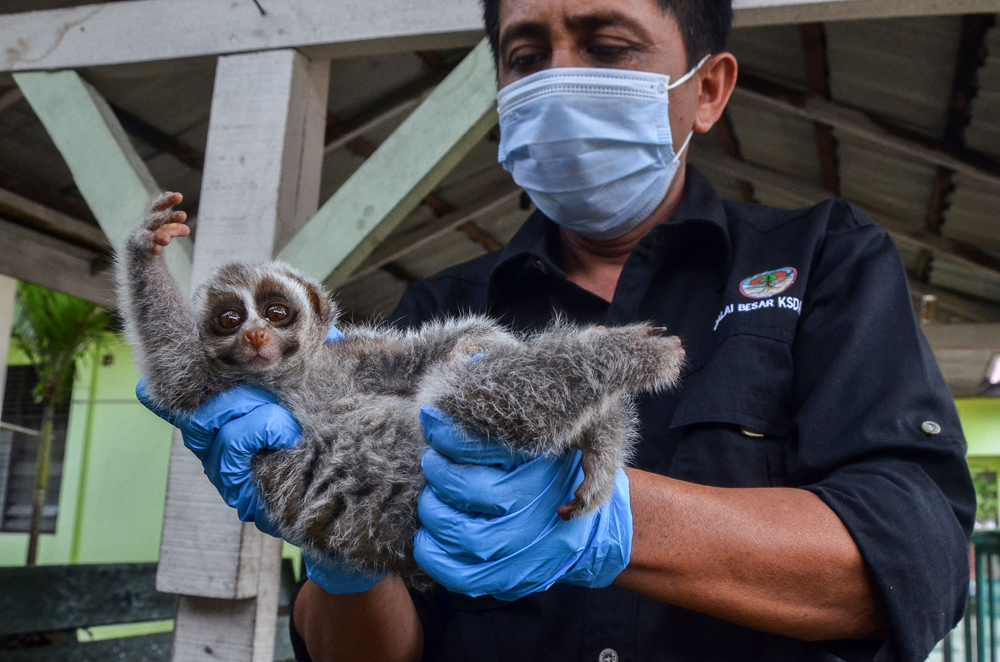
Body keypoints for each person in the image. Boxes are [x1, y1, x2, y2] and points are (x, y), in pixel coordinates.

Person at [143, 0, 976, 660]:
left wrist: (606, 516)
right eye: (526, 57)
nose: (558, 79)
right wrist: (338, 547)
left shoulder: (823, 258)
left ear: (709, 88)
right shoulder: (434, 313)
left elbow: (918, 559)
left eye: (608, 46)